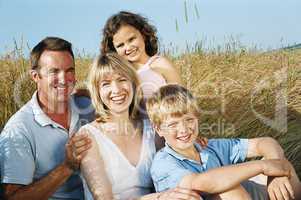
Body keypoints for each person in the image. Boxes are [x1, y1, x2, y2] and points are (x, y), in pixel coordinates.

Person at [77, 53, 201, 200]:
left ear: (133, 84)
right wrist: (159, 198)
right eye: (106, 84)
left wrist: (195, 145)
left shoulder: (150, 129)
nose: (116, 90)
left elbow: (175, 163)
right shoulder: (88, 135)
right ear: (97, 92)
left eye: (122, 79)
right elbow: (103, 197)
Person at [146, 84, 301, 200]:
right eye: (173, 124)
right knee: (228, 191)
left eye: (189, 120)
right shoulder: (163, 162)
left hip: (251, 194)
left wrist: (275, 172)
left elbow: (265, 142)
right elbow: (199, 183)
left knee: (283, 166)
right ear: (159, 129)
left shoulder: (207, 147)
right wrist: (263, 166)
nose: (184, 129)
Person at [0, 37, 93, 200]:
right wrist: (67, 167)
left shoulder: (86, 105)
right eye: (54, 71)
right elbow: (12, 198)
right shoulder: (19, 130)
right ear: (35, 76)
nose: (64, 79)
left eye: (69, 70)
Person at [101, 11, 182, 99]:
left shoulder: (160, 64)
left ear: (143, 35)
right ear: (114, 49)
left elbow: (182, 96)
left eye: (131, 39)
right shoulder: (121, 74)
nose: (128, 48)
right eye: (120, 45)